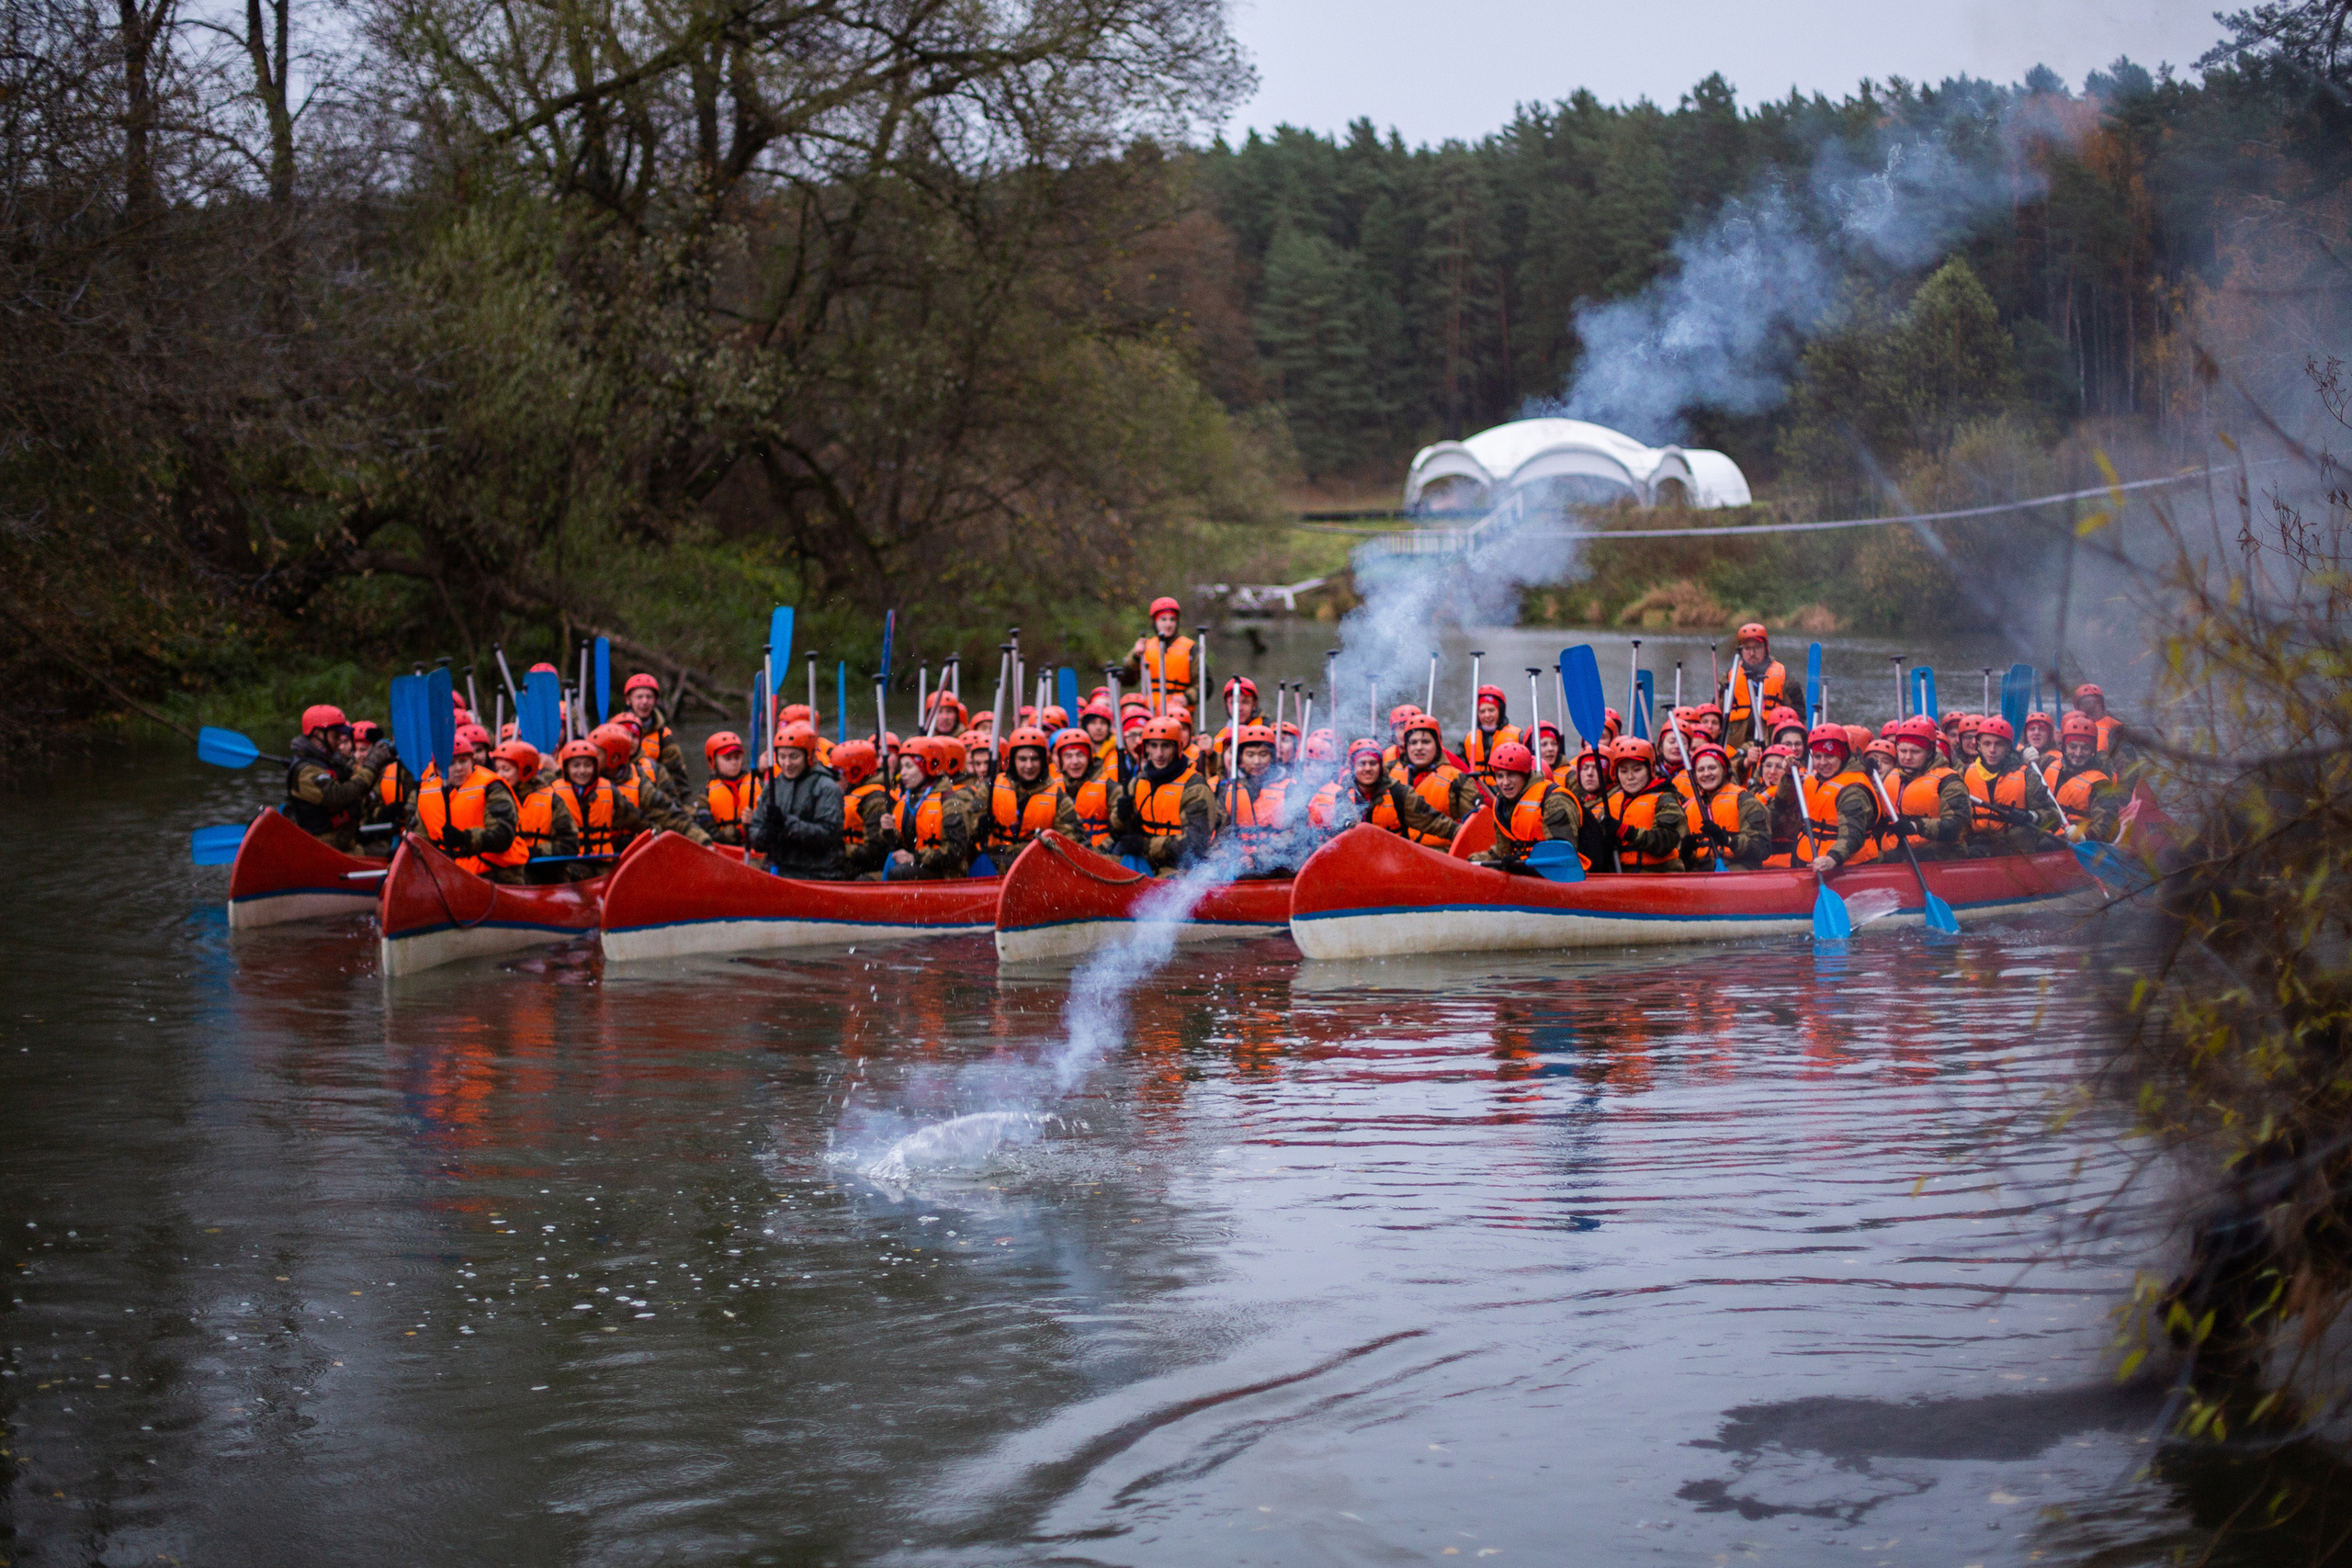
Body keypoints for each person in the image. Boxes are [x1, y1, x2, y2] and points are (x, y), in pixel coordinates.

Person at [413, 728, 526, 878]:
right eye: (451, 763)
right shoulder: (427, 793)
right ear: (438, 770)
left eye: (463, 761)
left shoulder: (492, 787)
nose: (459, 768)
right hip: (449, 872)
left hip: (495, 871)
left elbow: (503, 837)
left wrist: (464, 838)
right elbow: (419, 840)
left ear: (472, 762)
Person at [284, 705, 397, 852]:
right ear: (318, 733)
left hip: (345, 843)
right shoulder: (306, 771)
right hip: (322, 850)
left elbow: (358, 789)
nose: (339, 742)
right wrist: (371, 763)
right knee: (387, 858)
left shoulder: (330, 762)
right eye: (335, 736)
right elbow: (340, 796)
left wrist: (379, 766)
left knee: (389, 853)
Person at [1111, 715, 1214, 872]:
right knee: (1102, 863)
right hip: (1145, 861)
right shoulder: (1139, 782)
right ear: (1146, 748)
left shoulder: (1194, 787)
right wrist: (1120, 816)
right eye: (1154, 745)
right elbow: (1117, 832)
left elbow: (1195, 844)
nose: (1159, 753)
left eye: (1165, 746)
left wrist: (1145, 846)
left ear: (1177, 748)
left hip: (1181, 866)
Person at [747, 721, 846, 879]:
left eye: (794, 757)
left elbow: (829, 835)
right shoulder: (773, 786)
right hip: (777, 867)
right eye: (782, 757)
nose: (787, 764)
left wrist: (786, 824)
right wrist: (764, 835)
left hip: (817, 872)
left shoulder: (827, 787)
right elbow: (755, 828)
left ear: (809, 756)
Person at [1470, 741, 1582, 870]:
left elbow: (1563, 855)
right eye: (1500, 776)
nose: (1505, 782)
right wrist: (1469, 863)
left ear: (1525, 775)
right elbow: (1503, 850)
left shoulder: (1554, 801)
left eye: (1511, 775)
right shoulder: (1501, 805)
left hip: (1563, 871)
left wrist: (1521, 864)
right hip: (1526, 867)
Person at [1306, 739, 1445, 840]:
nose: (1367, 768)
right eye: (1362, 764)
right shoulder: (1339, 797)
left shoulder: (1399, 793)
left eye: (1373, 763)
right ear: (1353, 768)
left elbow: (1436, 822)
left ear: (1381, 767)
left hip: (1392, 864)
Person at [883, 736, 978, 880]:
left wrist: (915, 858)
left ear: (929, 767)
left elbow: (956, 852)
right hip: (918, 866)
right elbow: (904, 842)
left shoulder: (950, 803)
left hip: (947, 874)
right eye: (902, 767)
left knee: (901, 872)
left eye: (909, 766)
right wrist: (888, 831)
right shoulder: (907, 800)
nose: (902, 773)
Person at [1879, 715, 1971, 860]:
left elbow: (1958, 826)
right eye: (1903, 751)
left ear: (1929, 753)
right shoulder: (1890, 777)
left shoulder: (1949, 781)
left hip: (1941, 853)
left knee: (1905, 857)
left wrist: (1917, 826)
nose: (1907, 757)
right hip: (1896, 850)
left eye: (1915, 752)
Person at [983, 726, 1080, 860]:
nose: (1029, 766)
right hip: (995, 861)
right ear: (1013, 760)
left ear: (1043, 761)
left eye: (1034, 759)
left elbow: (1072, 842)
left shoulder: (1058, 797)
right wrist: (978, 826)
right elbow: (968, 830)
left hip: (1037, 864)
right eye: (1022, 759)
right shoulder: (990, 787)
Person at [1966, 716, 2059, 854]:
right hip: (1978, 841)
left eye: (1999, 744)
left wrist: (2031, 816)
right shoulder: (1965, 773)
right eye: (1987, 744)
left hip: (2015, 845)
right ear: (1978, 745)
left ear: (2009, 747)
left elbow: (2053, 814)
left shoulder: (2027, 775)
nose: (1992, 750)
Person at [1797, 725, 1882, 873]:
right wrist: (1787, 777)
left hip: (1849, 867)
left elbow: (1853, 833)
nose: (1822, 763)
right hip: (1812, 862)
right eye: (1817, 756)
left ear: (1842, 756)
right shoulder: (1814, 780)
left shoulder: (1853, 790)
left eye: (1829, 756)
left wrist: (1833, 858)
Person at [1214, 723, 1294, 874]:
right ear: (1241, 759)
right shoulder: (1229, 792)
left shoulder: (1290, 789)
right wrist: (1229, 858)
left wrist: (1257, 858)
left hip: (1277, 868)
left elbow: (1292, 835)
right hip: (1239, 867)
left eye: (1263, 755)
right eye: (1250, 755)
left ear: (1272, 757)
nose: (1257, 761)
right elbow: (1219, 838)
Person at [1392, 711, 1478, 847]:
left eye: (1425, 742)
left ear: (1438, 745)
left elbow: (1475, 830)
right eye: (1413, 743)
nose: (1419, 748)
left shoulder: (1457, 781)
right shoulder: (1390, 775)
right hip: (1396, 854)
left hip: (1438, 857)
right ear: (1406, 747)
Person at [493, 739, 574, 882]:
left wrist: (532, 853)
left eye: (506, 770)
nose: (500, 775)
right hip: (505, 876)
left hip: (544, 876)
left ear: (525, 769)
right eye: (498, 769)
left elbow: (569, 845)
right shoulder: (494, 799)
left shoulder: (552, 800)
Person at [1600, 738, 1686, 871]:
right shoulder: (1611, 801)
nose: (1630, 777)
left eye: (1637, 770)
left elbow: (1664, 842)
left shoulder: (1666, 799)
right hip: (1622, 875)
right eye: (1623, 771)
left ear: (1650, 769)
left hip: (1659, 874)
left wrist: (1625, 831)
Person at [1679, 742, 1767, 870]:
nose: (1706, 773)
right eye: (1701, 770)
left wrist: (1728, 840)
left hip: (1737, 873)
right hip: (1700, 875)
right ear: (1695, 776)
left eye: (1712, 768)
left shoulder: (1745, 801)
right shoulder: (1688, 808)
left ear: (1724, 770)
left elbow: (1762, 849)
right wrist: (1684, 852)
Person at [2043, 712, 2123, 841]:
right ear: (2064, 747)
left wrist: (2084, 835)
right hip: (2043, 832)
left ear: (2092, 750)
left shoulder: (2099, 783)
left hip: (2073, 842)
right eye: (2073, 747)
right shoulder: (2048, 763)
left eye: (2085, 748)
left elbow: (2108, 826)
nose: (2078, 753)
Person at [550, 739, 620, 875]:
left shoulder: (609, 790)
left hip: (602, 863)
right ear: (567, 768)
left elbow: (634, 817)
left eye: (587, 765)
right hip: (569, 863)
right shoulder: (554, 792)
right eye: (576, 766)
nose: (582, 771)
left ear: (595, 768)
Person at [1722, 624, 1791, 753]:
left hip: (1770, 744)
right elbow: (1716, 714)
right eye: (1747, 648)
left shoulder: (1784, 676)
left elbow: (1798, 714)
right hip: (1736, 746)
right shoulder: (1729, 677)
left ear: (1766, 648)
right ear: (1741, 651)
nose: (1752, 653)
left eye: (1757, 648)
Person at [1123, 596, 1196, 712]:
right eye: (1163, 619)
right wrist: (1136, 656)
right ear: (1155, 622)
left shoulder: (1190, 647)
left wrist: (1187, 698)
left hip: (1178, 710)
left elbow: (1204, 684)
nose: (1169, 624)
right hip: (1149, 709)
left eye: (1172, 619)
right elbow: (1126, 680)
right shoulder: (1144, 647)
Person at [621, 672, 691, 792]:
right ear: (628, 700)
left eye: (649, 697)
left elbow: (677, 776)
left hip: (654, 797)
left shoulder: (663, 735)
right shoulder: (614, 729)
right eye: (639, 697)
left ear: (655, 701)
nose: (644, 702)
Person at [833, 739, 892, 876]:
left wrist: (836, 850)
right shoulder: (846, 793)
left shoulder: (876, 799)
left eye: (839, 773)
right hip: (850, 860)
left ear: (855, 773)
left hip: (870, 868)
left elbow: (875, 853)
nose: (834, 778)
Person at [1053, 728, 1114, 851]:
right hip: (1064, 853)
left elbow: (1119, 827)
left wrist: (1099, 851)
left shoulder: (1109, 786)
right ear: (1061, 761)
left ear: (1089, 758)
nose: (1075, 762)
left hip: (1102, 853)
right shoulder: (1053, 789)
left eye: (1080, 755)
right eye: (1068, 756)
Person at [698, 731, 759, 847]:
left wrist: (756, 822)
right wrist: (741, 832)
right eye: (727, 758)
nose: (734, 762)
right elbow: (710, 833)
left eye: (737, 757)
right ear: (713, 761)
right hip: (724, 850)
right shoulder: (705, 795)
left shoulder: (757, 784)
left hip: (755, 847)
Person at [1568, 745, 1618, 872]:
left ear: (1611, 771)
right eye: (1585, 768)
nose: (1589, 773)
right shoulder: (1577, 800)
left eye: (1597, 768)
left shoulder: (1617, 801)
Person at [1458, 685, 1521, 776]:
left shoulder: (1518, 737)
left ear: (1500, 711)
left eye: (1491, 710)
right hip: (1476, 788)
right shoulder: (1468, 740)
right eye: (1482, 711)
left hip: (1506, 788)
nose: (1487, 715)